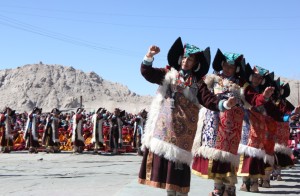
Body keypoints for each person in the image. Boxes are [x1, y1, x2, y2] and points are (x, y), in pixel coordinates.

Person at [138, 37, 238, 196]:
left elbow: (208, 100)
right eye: (184, 57)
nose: (186, 61)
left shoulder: (198, 83)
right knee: (169, 164)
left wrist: (225, 105)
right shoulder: (168, 74)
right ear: (180, 59)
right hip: (167, 128)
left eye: (190, 59)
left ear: (195, 63)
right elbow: (147, 73)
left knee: (180, 166)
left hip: (186, 131)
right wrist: (149, 56)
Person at [191, 49, 274, 196]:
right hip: (214, 122)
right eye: (226, 66)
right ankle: (217, 187)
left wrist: (264, 97)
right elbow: (201, 95)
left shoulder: (242, 84)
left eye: (231, 67)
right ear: (222, 65)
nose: (228, 69)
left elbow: (253, 99)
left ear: (236, 68)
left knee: (229, 156)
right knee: (216, 155)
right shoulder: (212, 79)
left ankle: (229, 188)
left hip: (232, 125)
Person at [237, 64, 273, 192]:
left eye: (260, 78)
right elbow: (254, 100)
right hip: (246, 122)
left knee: (256, 152)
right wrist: (263, 97)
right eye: (255, 76)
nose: (257, 79)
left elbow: (269, 109)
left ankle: (253, 182)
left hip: (259, 125)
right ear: (251, 76)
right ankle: (245, 182)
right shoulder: (246, 88)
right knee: (246, 150)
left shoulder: (264, 92)